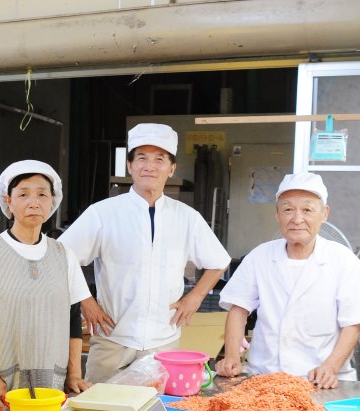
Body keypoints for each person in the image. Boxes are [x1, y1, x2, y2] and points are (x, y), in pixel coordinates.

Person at [59, 123, 231, 384]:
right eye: (141, 158)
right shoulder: (103, 213)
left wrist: (195, 297)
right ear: (130, 166)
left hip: (163, 343)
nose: (149, 166)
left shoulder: (186, 217)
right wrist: (86, 300)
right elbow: (62, 257)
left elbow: (218, 261)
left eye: (159, 159)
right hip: (112, 341)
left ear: (171, 168)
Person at [0, 160, 92, 411]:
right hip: (0, 388)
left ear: (52, 201)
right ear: (9, 201)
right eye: (23, 194)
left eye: (42, 194)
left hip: (51, 387)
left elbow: (72, 319)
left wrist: (74, 374)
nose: (33, 202)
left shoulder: (63, 255)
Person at [215, 172, 360, 389]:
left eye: (307, 210)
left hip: (320, 382)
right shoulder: (259, 257)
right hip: (264, 379)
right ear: (277, 215)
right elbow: (238, 309)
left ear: (324, 214)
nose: (297, 219)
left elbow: (352, 325)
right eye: (288, 209)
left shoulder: (344, 262)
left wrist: (330, 367)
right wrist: (232, 356)